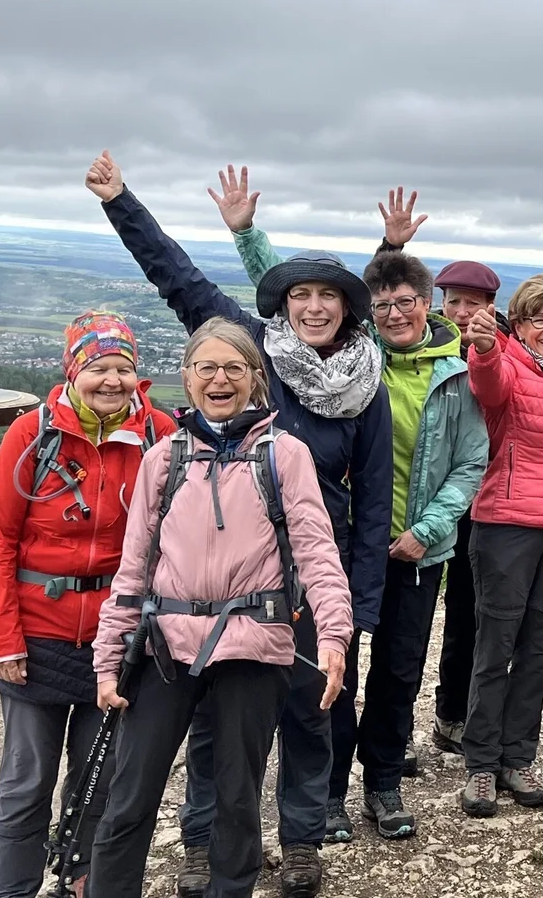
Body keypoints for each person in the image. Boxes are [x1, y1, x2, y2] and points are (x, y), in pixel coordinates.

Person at [86, 155, 391, 897]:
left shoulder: (364, 384)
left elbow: (373, 503)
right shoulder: (254, 352)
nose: (314, 307)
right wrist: (121, 201)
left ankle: (302, 837)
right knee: (214, 731)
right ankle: (202, 847)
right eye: (301, 296)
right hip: (214, 581)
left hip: (305, 580)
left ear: (348, 311)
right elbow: (177, 277)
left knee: (307, 719)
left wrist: (355, 613)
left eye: (328, 297)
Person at [220, 183, 489, 839]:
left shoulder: (455, 371)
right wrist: (250, 235)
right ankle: (332, 785)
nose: (395, 313)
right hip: (345, 542)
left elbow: (470, 463)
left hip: (420, 550)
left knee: (398, 671)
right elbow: (302, 296)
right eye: (386, 304)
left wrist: (427, 532)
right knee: (333, 668)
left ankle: (386, 781)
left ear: (428, 306)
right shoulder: (353, 363)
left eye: (408, 302)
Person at [87, 318, 353, 898]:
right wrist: (108, 658)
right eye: (205, 367)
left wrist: (333, 637)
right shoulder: (164, 459)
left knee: (237, 798)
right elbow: (134, 569)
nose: (219, 379)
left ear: (256, 379)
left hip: (254, 645)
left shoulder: (286, 455)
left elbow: (317, 554)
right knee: (129, 795)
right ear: (186, 378)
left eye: (234, 367)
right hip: (164, 644)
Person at [0, 312, 176, 898]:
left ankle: (82, 882)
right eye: (97, 367)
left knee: (101, 778)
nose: (111, 380)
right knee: (26, 779)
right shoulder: (32, 435)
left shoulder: (158, 434)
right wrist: (2, 641)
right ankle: (9, 889)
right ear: (73, 370)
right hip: (36, 634)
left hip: (116, 637)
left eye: (122, 368)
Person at [457, 273, 543, 817]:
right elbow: (487, 384)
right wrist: (484, 348)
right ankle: (482, 766)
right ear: (521, 324)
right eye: (539, 318)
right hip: (507, 525)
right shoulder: (507, 364)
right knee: (497, 646)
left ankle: (519, 758)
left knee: (539, 648)